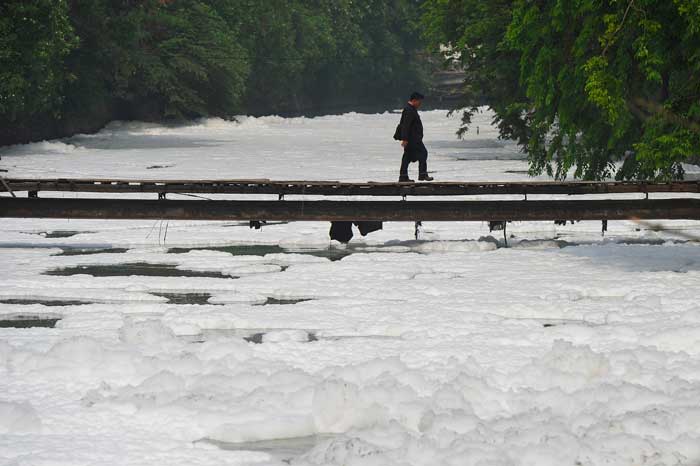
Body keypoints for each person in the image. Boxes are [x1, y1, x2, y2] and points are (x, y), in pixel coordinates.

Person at [397, 92, 433, 182]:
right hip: (412, 139)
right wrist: (405, 139)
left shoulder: (411, 109)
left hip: (413, 139)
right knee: (423, 153)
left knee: (408, 157)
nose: (420, 104)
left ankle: (404, 176)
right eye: (419, 102)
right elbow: (405, 125)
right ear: (414, 100)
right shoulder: (409, 110)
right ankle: (422, 175)